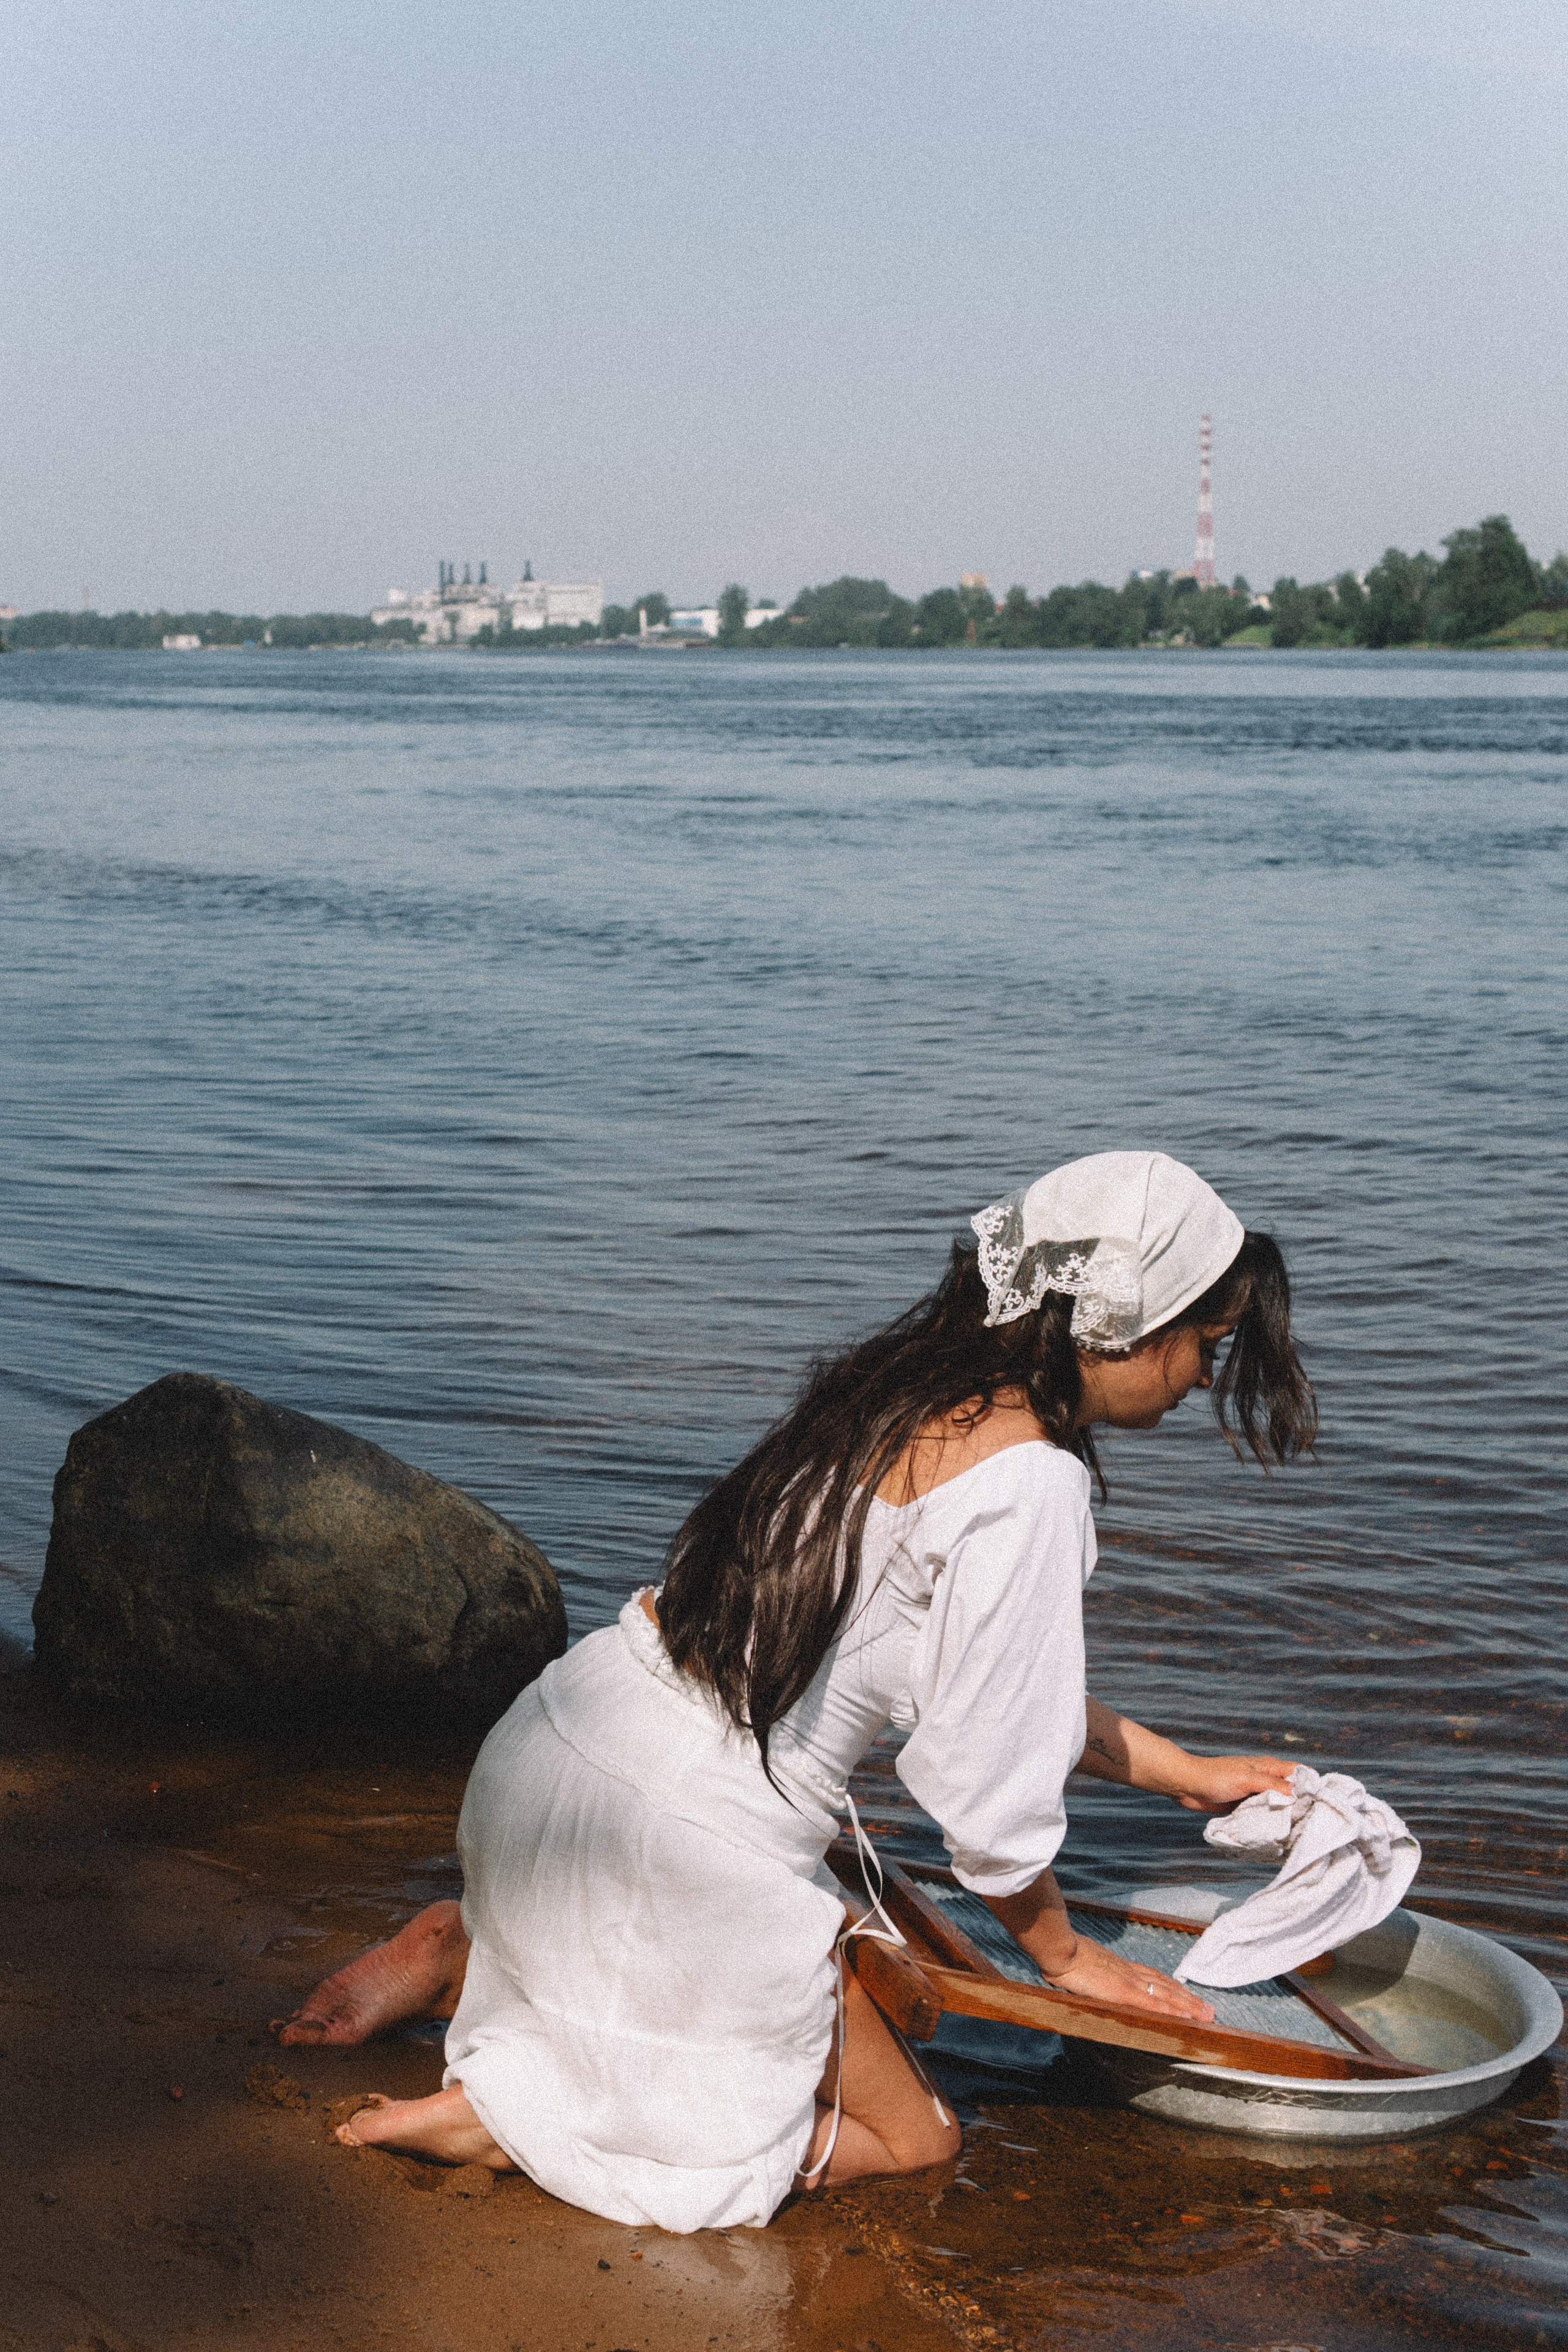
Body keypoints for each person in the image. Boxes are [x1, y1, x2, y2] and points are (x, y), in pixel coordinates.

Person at [277, 1150, 1316, 2233]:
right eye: (1209, 1341)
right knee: (921, 2143)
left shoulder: (902, 1395)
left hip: (549, 1756)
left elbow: (983, 1691)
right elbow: (988, 1791)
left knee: (811, 2005)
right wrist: (1066, 1955)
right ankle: (514, 2115)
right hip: (679, 1850)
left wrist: (1181, 1774)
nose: (1204, 1375)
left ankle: (473, 1945)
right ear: (1130, 1319)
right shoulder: (1033, 1484)